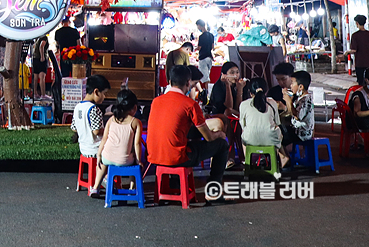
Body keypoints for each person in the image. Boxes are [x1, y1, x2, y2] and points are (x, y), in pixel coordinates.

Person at [146, 65, 229, 201]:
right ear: (187, 83)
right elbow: (208, 137)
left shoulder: (156, 101)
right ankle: (213, 192)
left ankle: (174, 184)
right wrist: (220, 134)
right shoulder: (189, 104)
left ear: (170, 81)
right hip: (177, 157)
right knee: (221, 145)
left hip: (154, 155)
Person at [70, 74, 110, 198]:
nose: (105, 97)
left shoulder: (78, 107)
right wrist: (108, 130)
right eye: (104, 93)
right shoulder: (94, 109)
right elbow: (97, 131)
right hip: (95, 148)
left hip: (83, 148)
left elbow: (73, 127)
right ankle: (106, 178)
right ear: (96, 92)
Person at [97, 89, 143, 192]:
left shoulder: (111, 119)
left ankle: (96, 187)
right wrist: (139, 160)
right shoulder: (136, 122)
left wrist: (99, 154)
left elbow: (104, 139)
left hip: (107, 158)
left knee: (102, 164)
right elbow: (137, 144)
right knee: (134, 163)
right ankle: (132, 188)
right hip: (125, 161)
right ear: (135, 107)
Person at [239, 78, 288, 168]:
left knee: (244, 133)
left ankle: (248, 162)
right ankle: (277, 160)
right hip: (271, 140)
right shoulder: (272, 102)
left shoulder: (243, 104)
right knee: (276, 132)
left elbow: (243, 125)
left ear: (250, 92)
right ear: (266, 91)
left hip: (250, 139)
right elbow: (277, 122)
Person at [281, 70, 315, 156]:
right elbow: (291, 112)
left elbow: (298, 116)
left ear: (300, 87)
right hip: (296, 130)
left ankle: (284, 159)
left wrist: (289, 102)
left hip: (302, 133)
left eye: (292, 83)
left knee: (276, 136)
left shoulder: (306, 100)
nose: (290, 85)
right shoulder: (299, 98)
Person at [347, 15, 369, 86]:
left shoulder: (355, 35)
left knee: (361, 83)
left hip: (360, 64)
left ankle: (363, 96)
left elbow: (353, 50)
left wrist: (347, 52)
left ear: (357, 23)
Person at [196, 21, 215, 85]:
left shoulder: (201, 37)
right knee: (207, 75)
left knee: (205, 77)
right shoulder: (211, 35)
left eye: (197, 26)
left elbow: (199, 47)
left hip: (203, 57)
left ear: (200, 26)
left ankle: (207, 92)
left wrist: (195, 48)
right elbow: (212, 46)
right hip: (209, 57)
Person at [32, 35, 50, 99]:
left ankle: (35, 93)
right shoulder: (44, 38)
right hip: (40, 59)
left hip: (35, 58)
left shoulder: (37, 37)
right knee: (42, 77)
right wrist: (42, 56)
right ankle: (43, 94)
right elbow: (41, 46)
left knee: (35, 77)